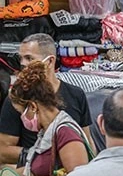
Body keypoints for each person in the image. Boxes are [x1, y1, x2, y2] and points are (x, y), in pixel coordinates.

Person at [0, 34, 94, 166]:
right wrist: (41, 157)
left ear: (49, 61)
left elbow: (87, 140)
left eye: (29, 58)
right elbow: (3, 151)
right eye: (20, 58)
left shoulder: (76, 95)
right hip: (32, 172)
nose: (22, 63)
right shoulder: (18, 98)